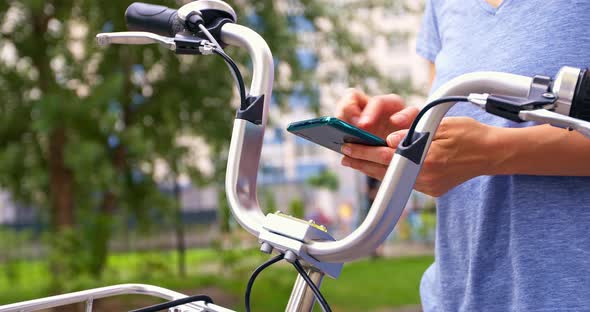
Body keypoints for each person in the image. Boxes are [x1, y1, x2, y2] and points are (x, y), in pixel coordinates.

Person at [335, 1, 590, 311]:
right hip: (457, 297)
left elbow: (483, 143)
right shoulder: (442, 7)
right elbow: (451, 123)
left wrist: (496, 150)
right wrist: (402, 134)